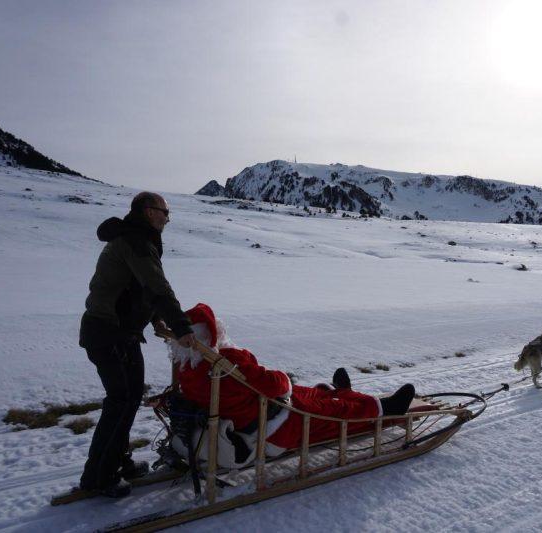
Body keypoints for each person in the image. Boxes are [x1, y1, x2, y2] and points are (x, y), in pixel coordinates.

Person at [171, 303, 415, 457]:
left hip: (247, 413)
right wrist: (282, 378)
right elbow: (276, 384)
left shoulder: (189, 368)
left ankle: (341, 391)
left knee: (306, 393)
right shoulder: (224, 363)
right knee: (328, 411)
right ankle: (384, 408)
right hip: (271, 426)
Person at [78, 191, 196, 497]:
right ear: (148, 211)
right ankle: (99, 477)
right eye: (164, 212)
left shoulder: (135, 237)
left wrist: (156, 317)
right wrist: (181, 326)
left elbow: (139, 287)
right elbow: (157, 286)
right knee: (120, 401)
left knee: (128, 399)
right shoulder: (135, 241)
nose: (167, 218)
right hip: (108, 333)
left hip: (118, 333)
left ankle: (118, 461)